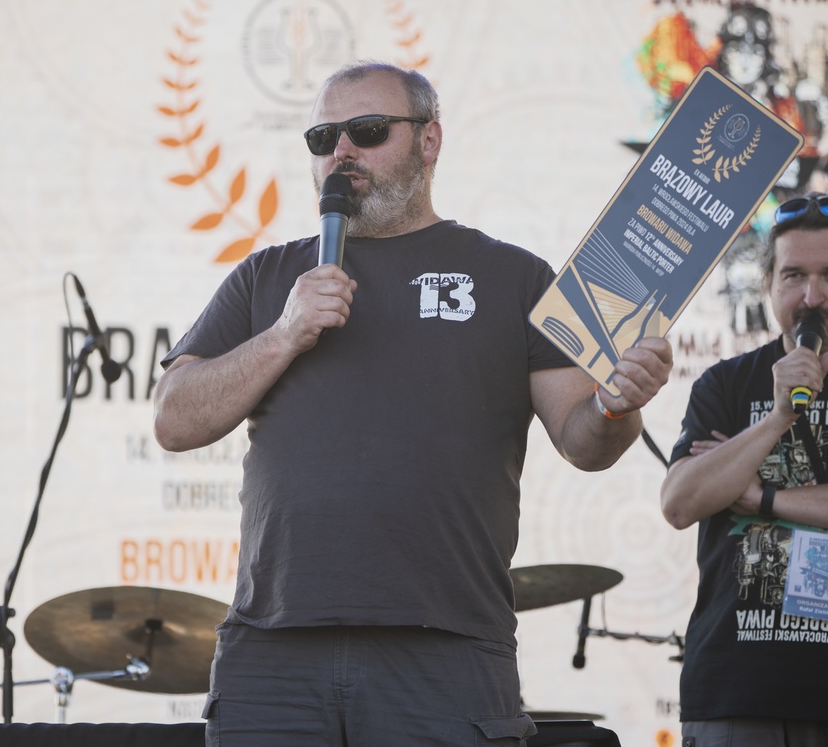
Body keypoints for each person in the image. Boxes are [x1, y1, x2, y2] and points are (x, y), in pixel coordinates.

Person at [153, 62, 673, 746]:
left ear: (429, 141)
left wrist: (616, 405)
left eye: (368, 130)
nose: (342, 151)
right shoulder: (270, 276)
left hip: (446, 649)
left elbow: (584, 441)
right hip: (273, 649)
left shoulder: (513, 276)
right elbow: (173, 419)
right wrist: (283, 335)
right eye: (322, 138)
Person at [661, 191, 828, 745]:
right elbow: (679, 503)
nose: (811, 297)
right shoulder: (725, 384)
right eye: (793, 276)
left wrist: (764, 499)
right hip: (739, 688)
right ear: (769, 283)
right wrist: (777, 418)